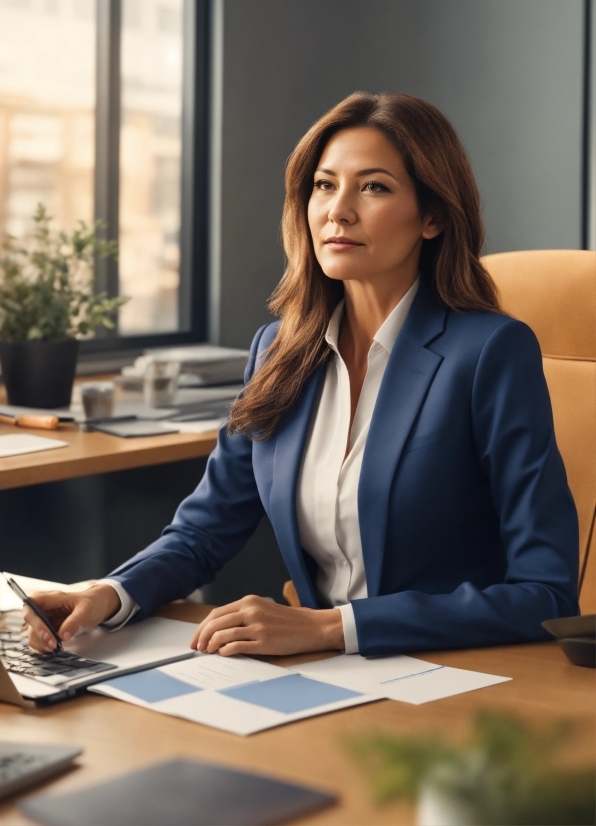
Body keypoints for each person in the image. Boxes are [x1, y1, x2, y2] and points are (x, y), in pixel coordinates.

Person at [24, 92, 578, 659]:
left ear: (433, 216)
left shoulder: (489, 352)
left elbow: (546, 594)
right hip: (320, 673)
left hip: (445, 674)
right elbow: (204, 530)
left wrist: (331, 627)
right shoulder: (278, 351)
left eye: (375, 187)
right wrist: (110, 594)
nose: (338, 210)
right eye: (324, 185)